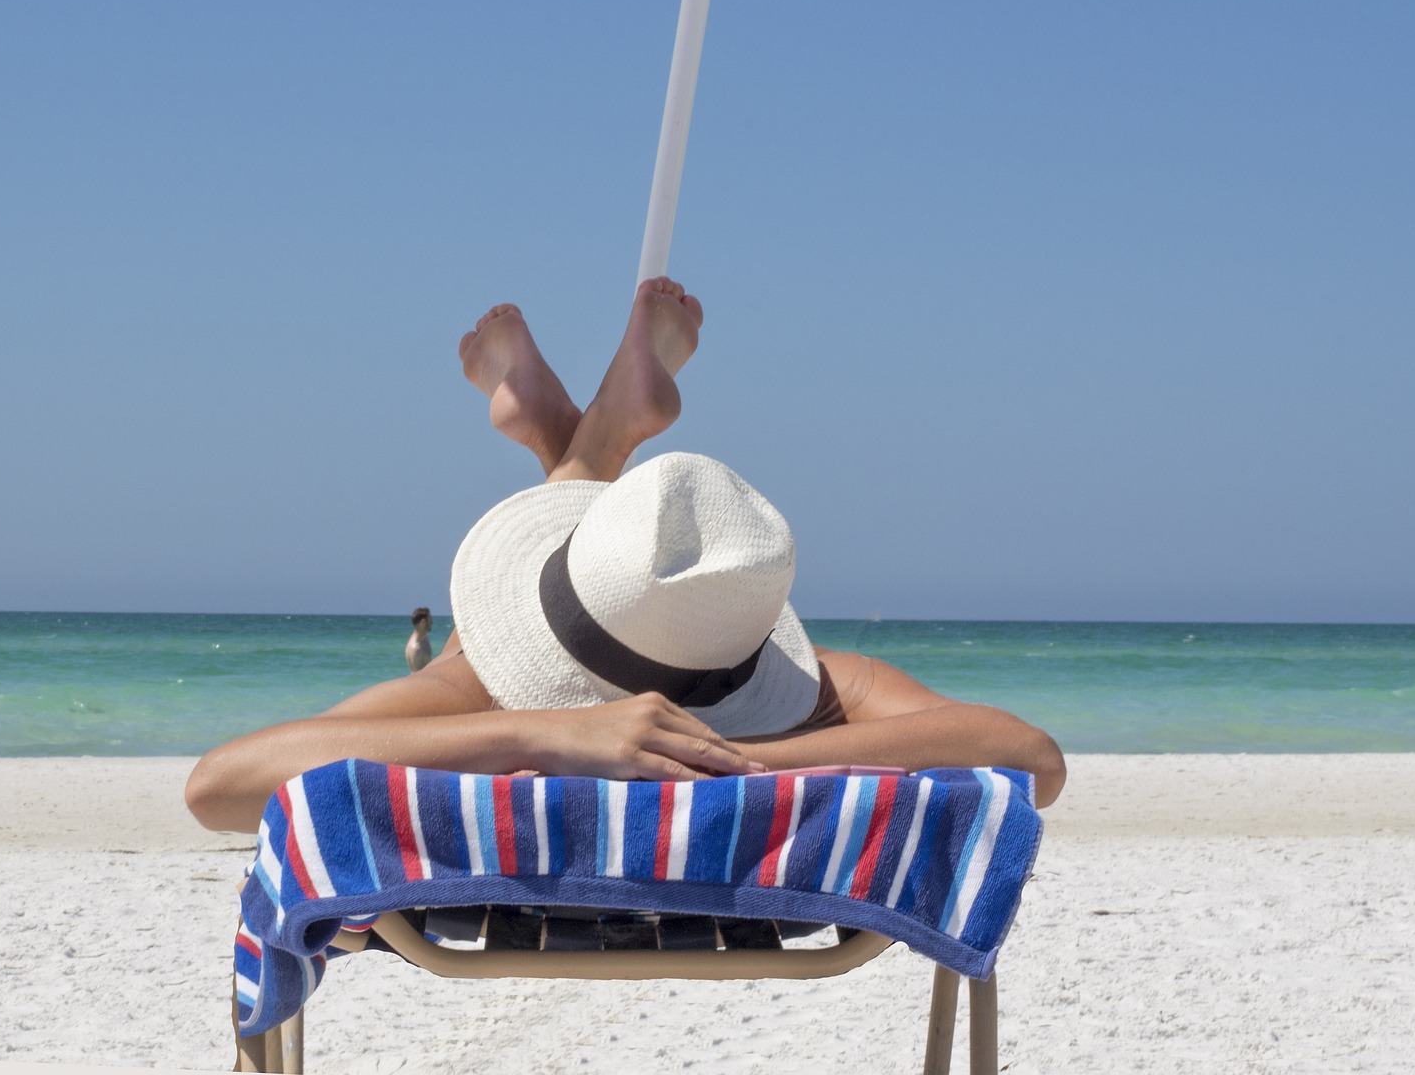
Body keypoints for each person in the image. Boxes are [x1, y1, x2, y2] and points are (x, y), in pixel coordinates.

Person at [187, 279, 1065, 833]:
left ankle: (591, 443)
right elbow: (1031, 754)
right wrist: (743, 757)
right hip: (748, 746)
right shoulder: (827, 694)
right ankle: (589, 436)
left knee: (468, 642)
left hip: (511, 753)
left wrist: (549, 734)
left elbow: (220, 784)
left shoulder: (479, 686)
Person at [404, 607, 434, 673]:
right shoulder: (416, 649)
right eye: (430, 620)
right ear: (423, 622)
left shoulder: (425, 637)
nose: (432, 622)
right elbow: (418, 676)